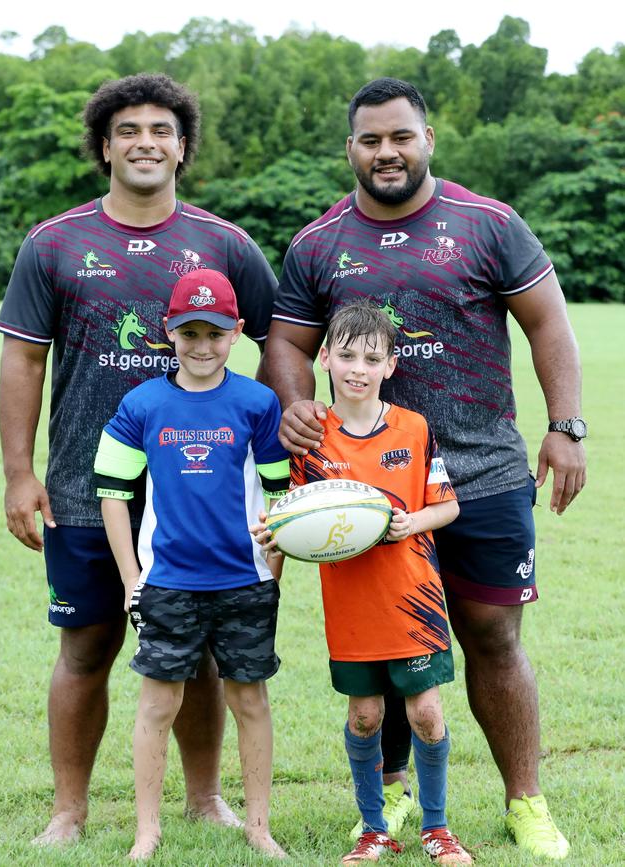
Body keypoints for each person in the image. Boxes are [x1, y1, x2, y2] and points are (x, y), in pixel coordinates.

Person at [262, 77, 586, 861]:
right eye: (370, 140)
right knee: (386, 640)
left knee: (493, 634)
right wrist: (295, 401)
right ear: (350, 149)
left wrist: (566, 426)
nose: (386, 152)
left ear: (428, 139)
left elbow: (548, 320)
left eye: (400, 136)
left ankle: (524, 801)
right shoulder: (317, 243)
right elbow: (285, 344)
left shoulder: (489, 223)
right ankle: (399, 794)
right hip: (369, 485)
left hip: (486, 471)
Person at [0, 73, 278, 846]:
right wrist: (21, 473)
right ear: (105, 146)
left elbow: (278, 338)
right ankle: (69, 810)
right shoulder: (54, 242)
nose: (145, 142)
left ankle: (203, 798)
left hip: (207, 494)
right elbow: (23, 363)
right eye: (128, 130)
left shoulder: (225, 242)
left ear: (182, 147)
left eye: (160, 129)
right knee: (85, 644)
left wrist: (294, 432)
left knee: (208, 652)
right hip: (88, 491)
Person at [253, 304, 470, 864]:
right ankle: (374, 828)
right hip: (350, 604)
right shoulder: (309, 439)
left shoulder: (414, 428)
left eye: (372, 358)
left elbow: (445, 507)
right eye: (346, 355)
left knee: (426, 713)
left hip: (413, 598)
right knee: (365, 715)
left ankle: (438, 828)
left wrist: (410, 521)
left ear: (391, 365)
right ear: (324, 357)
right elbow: (298, 519)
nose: (357, 368)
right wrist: (277, 534)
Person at [94, 269, 289, 860]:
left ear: (236, 334)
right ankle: (145, 830)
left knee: (250, 701)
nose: (202, 346)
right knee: (158, 704)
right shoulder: (143, 403)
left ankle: (258, 826)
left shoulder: (258, 402)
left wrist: (272, 571)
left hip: (244, 581)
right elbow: (112, 492)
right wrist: (132, 579)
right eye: (190, 333)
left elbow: (280, 496)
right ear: (169, 334)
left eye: (216, 333)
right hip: (168, 584)